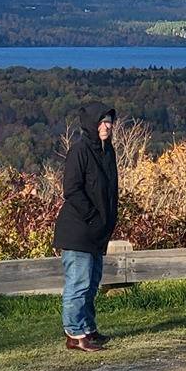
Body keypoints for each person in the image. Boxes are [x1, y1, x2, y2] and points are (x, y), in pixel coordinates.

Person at [52, 102, 119, 351]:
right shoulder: (79, 152)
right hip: (78, 230)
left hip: (97, 232)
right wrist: (93, 217)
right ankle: (75, 334)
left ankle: (88, 329)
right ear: (91, 124)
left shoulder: (107, 151)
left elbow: (111, 191)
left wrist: (108, 221)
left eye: (109, 122)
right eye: (102, 122)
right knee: (78, 284)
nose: (107, 126)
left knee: (92, 284)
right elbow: (71, 190)